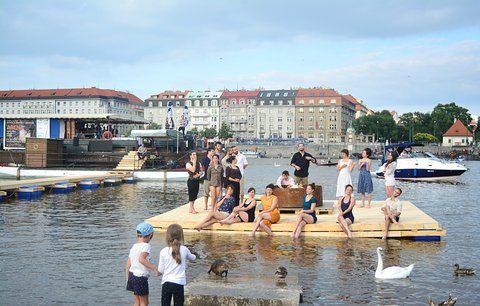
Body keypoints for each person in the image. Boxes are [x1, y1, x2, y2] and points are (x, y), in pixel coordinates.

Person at [158, 224, 196, 306]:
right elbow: (193, 258)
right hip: (179, 283)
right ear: (181, 237)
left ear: (167, 237)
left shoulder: (163, 251)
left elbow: (160, 270)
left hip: (166, 283)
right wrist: (194, 254)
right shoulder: (184, 249)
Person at [125, 222, 159, 306]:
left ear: (137, 234)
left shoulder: (134, 246)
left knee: (137, 302)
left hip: (132, 276)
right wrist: (154, 268)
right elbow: (141, 259)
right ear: (151, 235)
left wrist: (127, 279)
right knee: (144, 303)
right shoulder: (146, 246)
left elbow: (127, 265)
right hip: (140, 278)